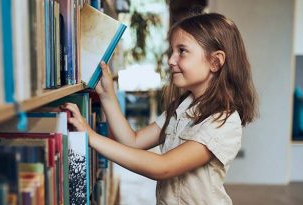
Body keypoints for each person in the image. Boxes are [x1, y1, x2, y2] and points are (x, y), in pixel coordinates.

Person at [62, 13, 258, 205]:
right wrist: (107, 95)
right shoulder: (181, 107)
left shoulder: (222, 121)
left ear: (215, 62)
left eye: (182, 51)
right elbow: (133, 141)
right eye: (171, 51)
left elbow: (162, 167)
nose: (171, 60)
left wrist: (91, 136)